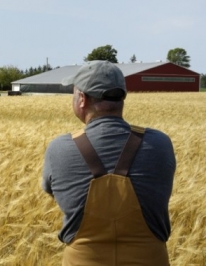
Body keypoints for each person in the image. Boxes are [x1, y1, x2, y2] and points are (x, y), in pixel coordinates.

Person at [42, 60, 176, 265]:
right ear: (122, 97)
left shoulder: (59, 148)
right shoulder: (161, 143)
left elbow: (53, 191)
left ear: (82, 99)